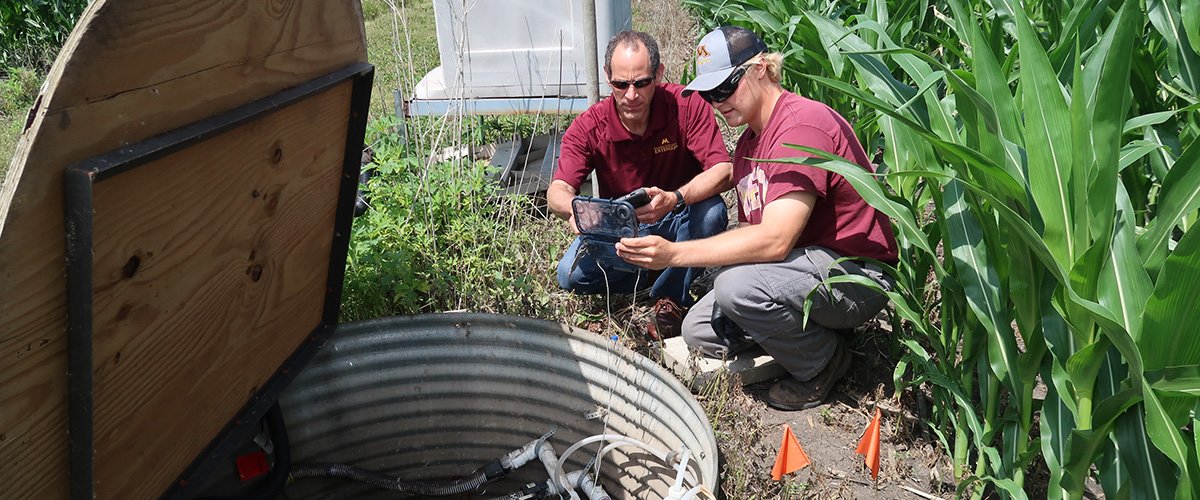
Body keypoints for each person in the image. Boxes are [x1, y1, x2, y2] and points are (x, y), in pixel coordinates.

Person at [617, 26, 898, 411]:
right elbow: (753, 230)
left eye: (726, 87)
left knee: (735, 288)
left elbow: (775, 240)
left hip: (854, 273)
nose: (718, 102)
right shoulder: (748, 145)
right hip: (801, 269)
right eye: (709, 94)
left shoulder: (801, 126)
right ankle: (803, 332)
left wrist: (674, 254)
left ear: (762, 68)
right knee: (698, 329)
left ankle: (823, 361)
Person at [548, 30, 733, 340]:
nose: (631, 95)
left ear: (658, 74)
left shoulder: (686, 105)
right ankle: (654, 272)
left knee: (712, 212)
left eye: (642, 83)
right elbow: (557, 191)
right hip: (625, 231)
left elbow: (724, 170)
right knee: (570, 276)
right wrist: (577, 212)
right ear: (608, 79)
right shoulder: (589, 126)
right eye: (621, 84)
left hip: (679, 219)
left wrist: (676, 197)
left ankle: (671, 297)